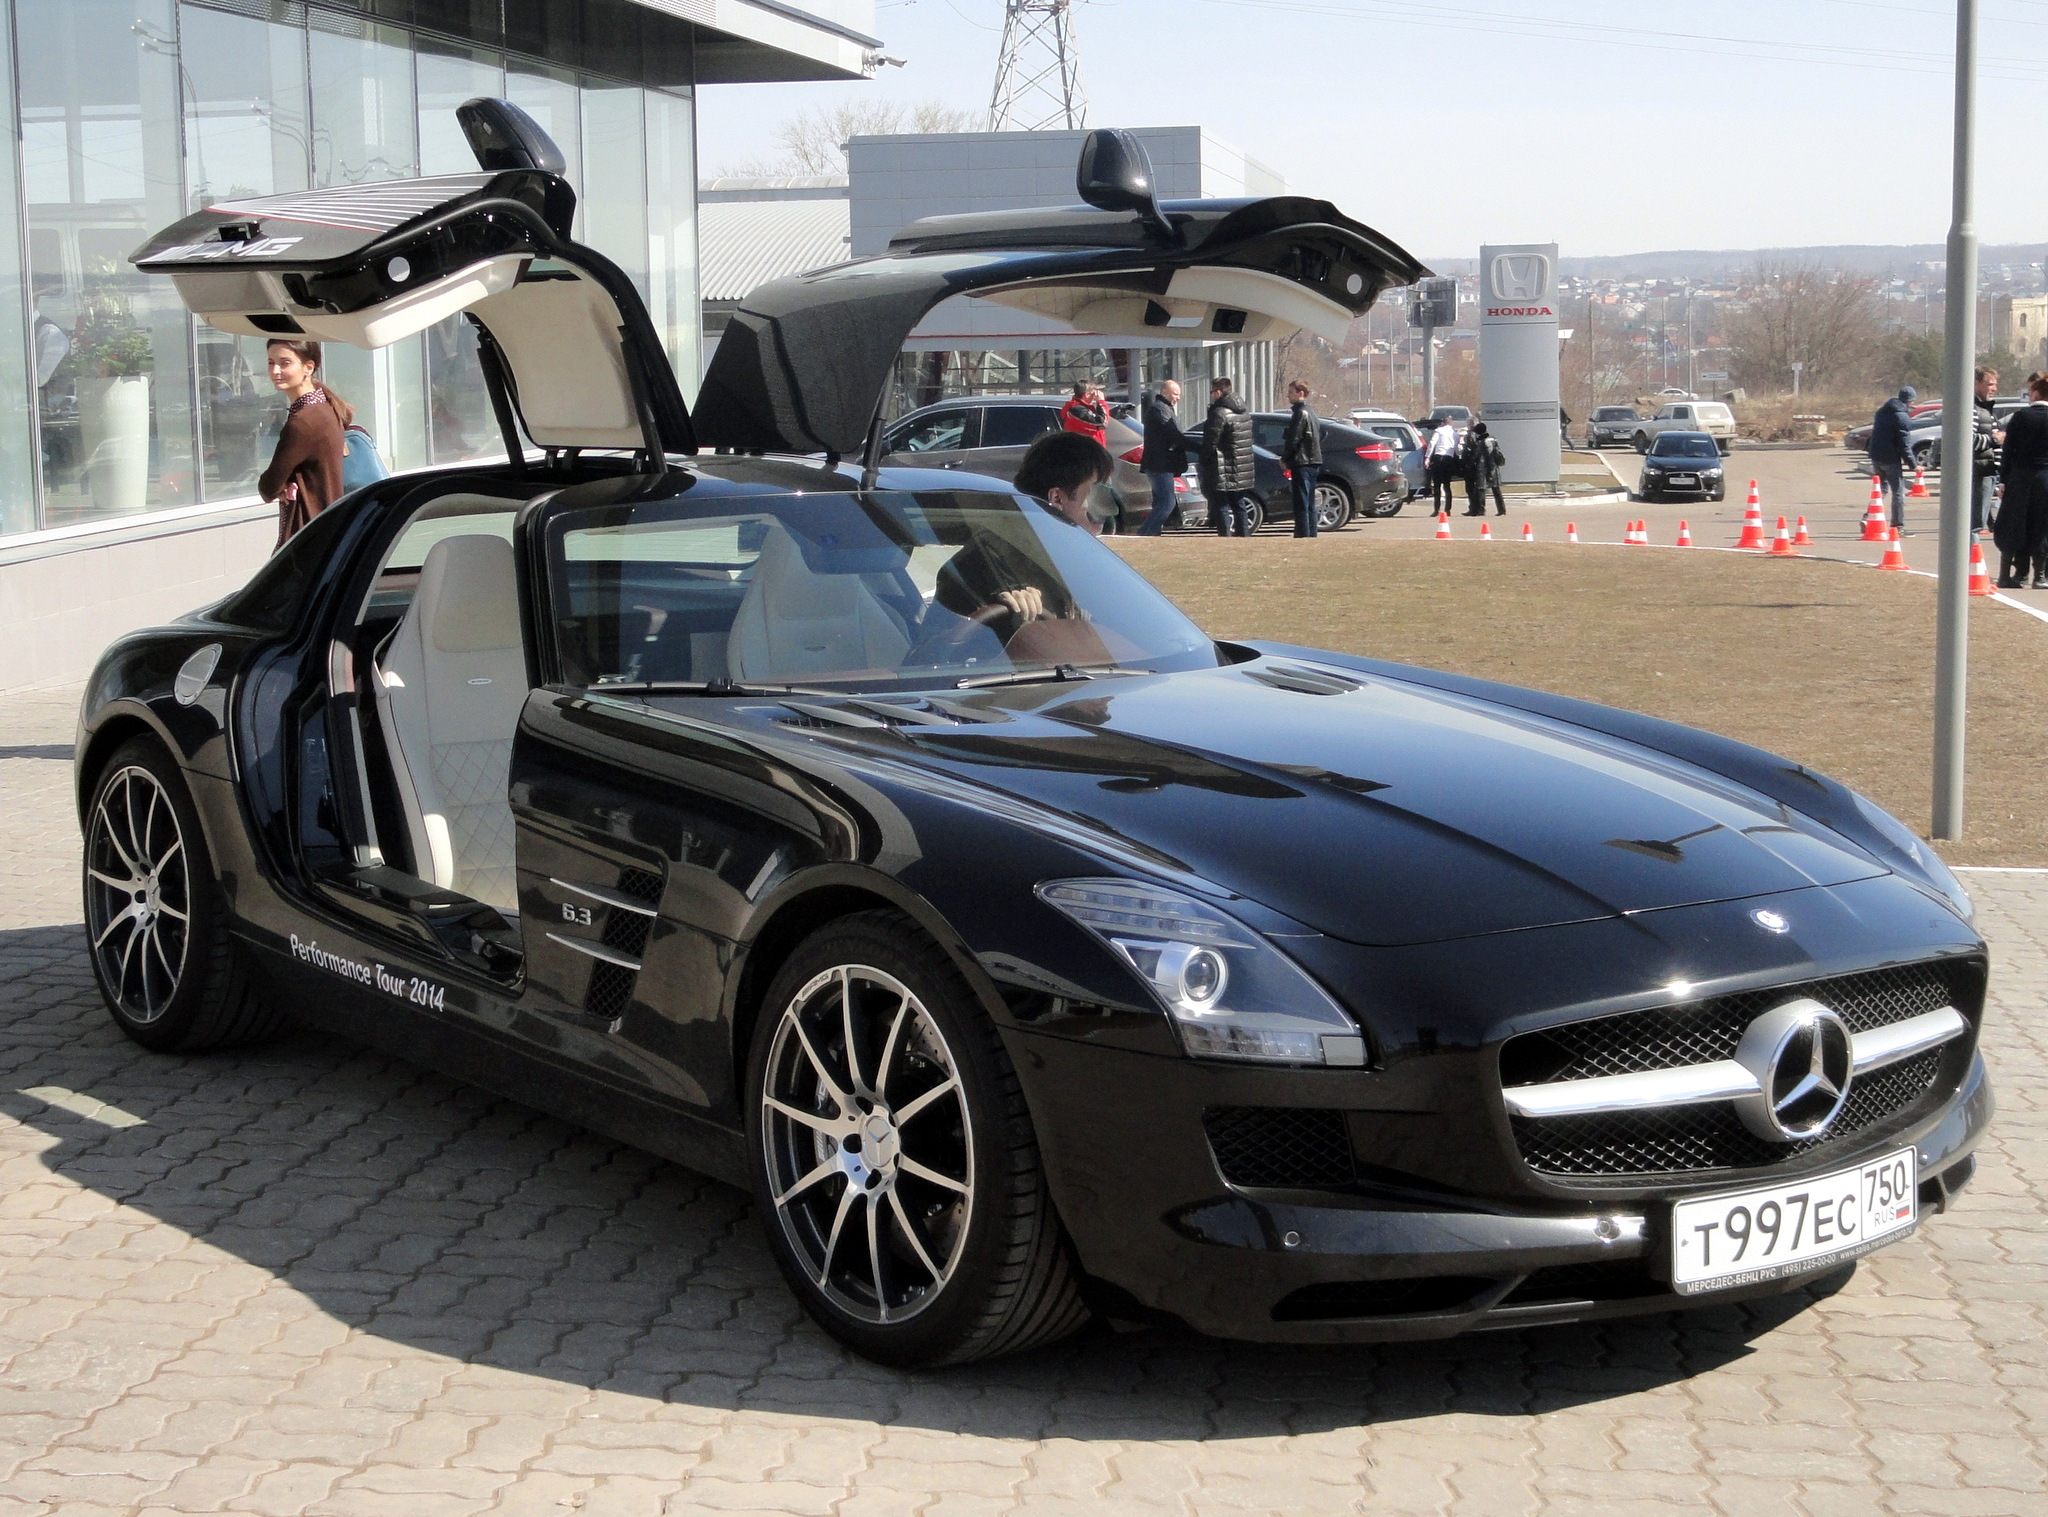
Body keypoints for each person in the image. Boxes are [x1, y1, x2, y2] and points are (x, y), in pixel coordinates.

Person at [934, 429, 1113, 650]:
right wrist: (1009, 612)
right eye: (1095, 496)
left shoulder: (1076, 562)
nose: (1106, 512)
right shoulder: (974, 570)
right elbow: (936, 656)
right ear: (1056, 498)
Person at [258, 337, 349, 547]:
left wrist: (280, 485)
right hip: (326, 528)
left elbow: (269, 486)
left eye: (285, 363)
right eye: (271, 362)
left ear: (308, 367)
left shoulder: (303, 423)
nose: (275, 371)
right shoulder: (324, 406)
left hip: (307, 533)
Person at [1993, 371, 2048, 589]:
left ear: (2034, 393)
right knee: (2042, 525)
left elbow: (2008, 452)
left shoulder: (2020, 417)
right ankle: (2041, 575)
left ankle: (2013, 573)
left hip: (2020, 477)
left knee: (2015, 523)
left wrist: (2003, 481)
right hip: (2045, 478)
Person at [1198, 376, 1256, 536]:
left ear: (1218, 392)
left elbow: (1210, 442)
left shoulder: (1219, 413)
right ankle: (1244, 537)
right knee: (1239, 505)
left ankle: (1225, 538)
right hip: (1242, 466)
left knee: (1221, 505)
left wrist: (1203, 460)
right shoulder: (1244, 411)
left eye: (1212, 392)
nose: (1211, 395)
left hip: (1222, 466)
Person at [1137, 378, 1188, 536]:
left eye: (1179, 395)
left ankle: (1152, 534)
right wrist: (1197, 447)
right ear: (1164, 392)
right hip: (1159, 464)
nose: (1177, 398)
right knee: (1167, 501)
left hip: (1161, 463)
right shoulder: (1160, 410)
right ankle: (1145, 533)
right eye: (1175, 394)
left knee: (1161, 501)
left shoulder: (1165, 409)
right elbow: (1173, 435)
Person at [1868, 385, 1917, 534]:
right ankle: (1898, 526)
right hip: (1891, 459)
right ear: (1910, 401)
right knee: (1898, 492)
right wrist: (1913, 465)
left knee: (1880, 489)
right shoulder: (1902, 417)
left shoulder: (1881, 412)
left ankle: (1868, 517)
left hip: (1876, 455)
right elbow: (1905, 444)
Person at [1281, 379, 1323, 538]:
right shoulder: (1311, 412)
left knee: (1302, 502)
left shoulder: (1301, 413)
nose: (1288, 395)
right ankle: (1311, 534)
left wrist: (1285, 458)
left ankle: (1303, 535)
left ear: (1301, 393)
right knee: (1310, 502)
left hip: (1302, 462)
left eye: (1291, 392)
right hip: (1313, 461)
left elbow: (1294, 439)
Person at [1971, 365, 2005, 536]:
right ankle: (1968, 560)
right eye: (1990, 384)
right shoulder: (1972, 408)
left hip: (1988, 471)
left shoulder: (1985, 409)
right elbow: (1966, 441)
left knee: (1980, 521)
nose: (1994, 389)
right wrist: (1994, 439)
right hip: (1979, 472)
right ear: (1976, 383)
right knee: (1975, 525)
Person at [1461, 420, 1507, 516]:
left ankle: (1481, 510)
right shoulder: (1493, 439)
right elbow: (1497, 452)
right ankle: (1502, 509)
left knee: (1481, 489)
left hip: (1482, 468)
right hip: (1494, 467)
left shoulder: (1480, 442)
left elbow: (1476, 455)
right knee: (1496, 489)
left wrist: (1469, 463)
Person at [1424, 414, 1462, 514]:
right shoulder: (1455, 434)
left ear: (1443, 422)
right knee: (1447, 485)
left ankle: (1436, 509)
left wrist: (1427, 457)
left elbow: (1432, 443)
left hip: (1438, 458)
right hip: (1449, 459)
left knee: (1436, 485)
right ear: (1451, 423)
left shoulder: (1439, 431)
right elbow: (1457, 451)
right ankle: (1448, 509)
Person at [1059, 381, 1108, 445]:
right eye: (1093, 393)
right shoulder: (1076, 410)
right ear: (1087, 394)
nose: (1094, 396)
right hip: (1083, 451)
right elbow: (1102, 423)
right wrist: (1101, 401)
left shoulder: (1084, 408)